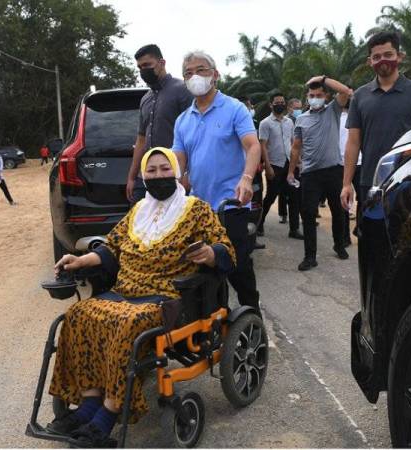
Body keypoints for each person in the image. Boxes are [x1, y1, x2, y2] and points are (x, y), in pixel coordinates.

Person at [46, 148, 235, 447]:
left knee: (126, 323)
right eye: (152, 171)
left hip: (166, 295)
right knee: (79, 314)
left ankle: (107, 415)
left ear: (176, 173)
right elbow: (112, 248)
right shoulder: (138, 211)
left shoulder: (196, 209)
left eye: (164, 169)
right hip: (124, 291)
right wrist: (81, 261)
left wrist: (211, 254)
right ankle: (90, 403)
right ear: (143, 176)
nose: (158, 175)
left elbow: (226, 249)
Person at [173, 50, 262, 311]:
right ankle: (216, 326)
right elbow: (179, 161)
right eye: (188, 73)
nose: (195, 77)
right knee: (206, 271)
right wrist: (172, 188)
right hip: (199, 210)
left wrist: (247, 178)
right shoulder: (183, 120)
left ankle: (252, 317)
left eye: (201, 70)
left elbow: (253, 146)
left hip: (231, 205)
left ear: (215, 74)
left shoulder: (235, 109)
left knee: (238, 267)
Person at [341, 31, 411, 212]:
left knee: (406, 238)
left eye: (388, 55)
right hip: (370, 183)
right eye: (376, 57)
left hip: (407, 182)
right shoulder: (360, 96)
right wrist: (346, 184)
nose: (383, 60)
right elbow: (353, 143)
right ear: (370, 62)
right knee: (370, 238)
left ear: (399, 57)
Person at [287, 76, 352, 271]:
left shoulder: (332, 110)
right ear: (307, 98)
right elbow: (296, 148)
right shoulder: (301, 119)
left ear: (326, 96)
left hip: (333, 171)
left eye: (319, 95)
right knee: (307, 214)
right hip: (310, 174)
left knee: (338, 211)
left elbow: (346, 92)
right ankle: (310, 256)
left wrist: (323, 79)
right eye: (312, 95)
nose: (315, 98)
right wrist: (291, 172)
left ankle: (339, 244)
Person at [126, 44, 193, 204]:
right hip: (147, 178)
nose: (143, 70)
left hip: (173, 176)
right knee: (141, 224)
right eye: (140, 67)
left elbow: (193, 135)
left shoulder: (183, 90)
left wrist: (186, 174)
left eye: (147, 65)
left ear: (162, 63)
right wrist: (132, 177)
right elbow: (141, 140)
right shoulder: (145, 99)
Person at [258, 92, 303, 240]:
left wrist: (298, 160)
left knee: (295, 197)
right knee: (270, 197)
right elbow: (263, 146)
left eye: (282, 102)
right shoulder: (265, 123)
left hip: (290, 165)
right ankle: (259, 224)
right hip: (275, 165)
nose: (280, 105)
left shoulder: (289, 122)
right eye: (277, 102)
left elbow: (292, 143)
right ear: (271, 105)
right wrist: (268, 166)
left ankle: (294, 229)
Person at [339, 99, 362, 245]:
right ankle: (358, 229)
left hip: (344, 163)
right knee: (363, 199)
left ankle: (346, 236)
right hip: (356, 162)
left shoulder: (336, 118)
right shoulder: (360, 117)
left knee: (344, 201)